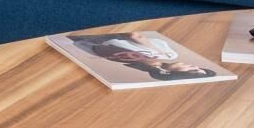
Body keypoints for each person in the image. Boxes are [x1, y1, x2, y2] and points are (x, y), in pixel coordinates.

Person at [70, 31, 221, 82]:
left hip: (97, 38)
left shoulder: (154, 57)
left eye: (193, 70)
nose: (195, 65)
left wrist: (153, 59)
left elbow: (135, 35)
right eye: (199, 68)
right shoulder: (167, 55)